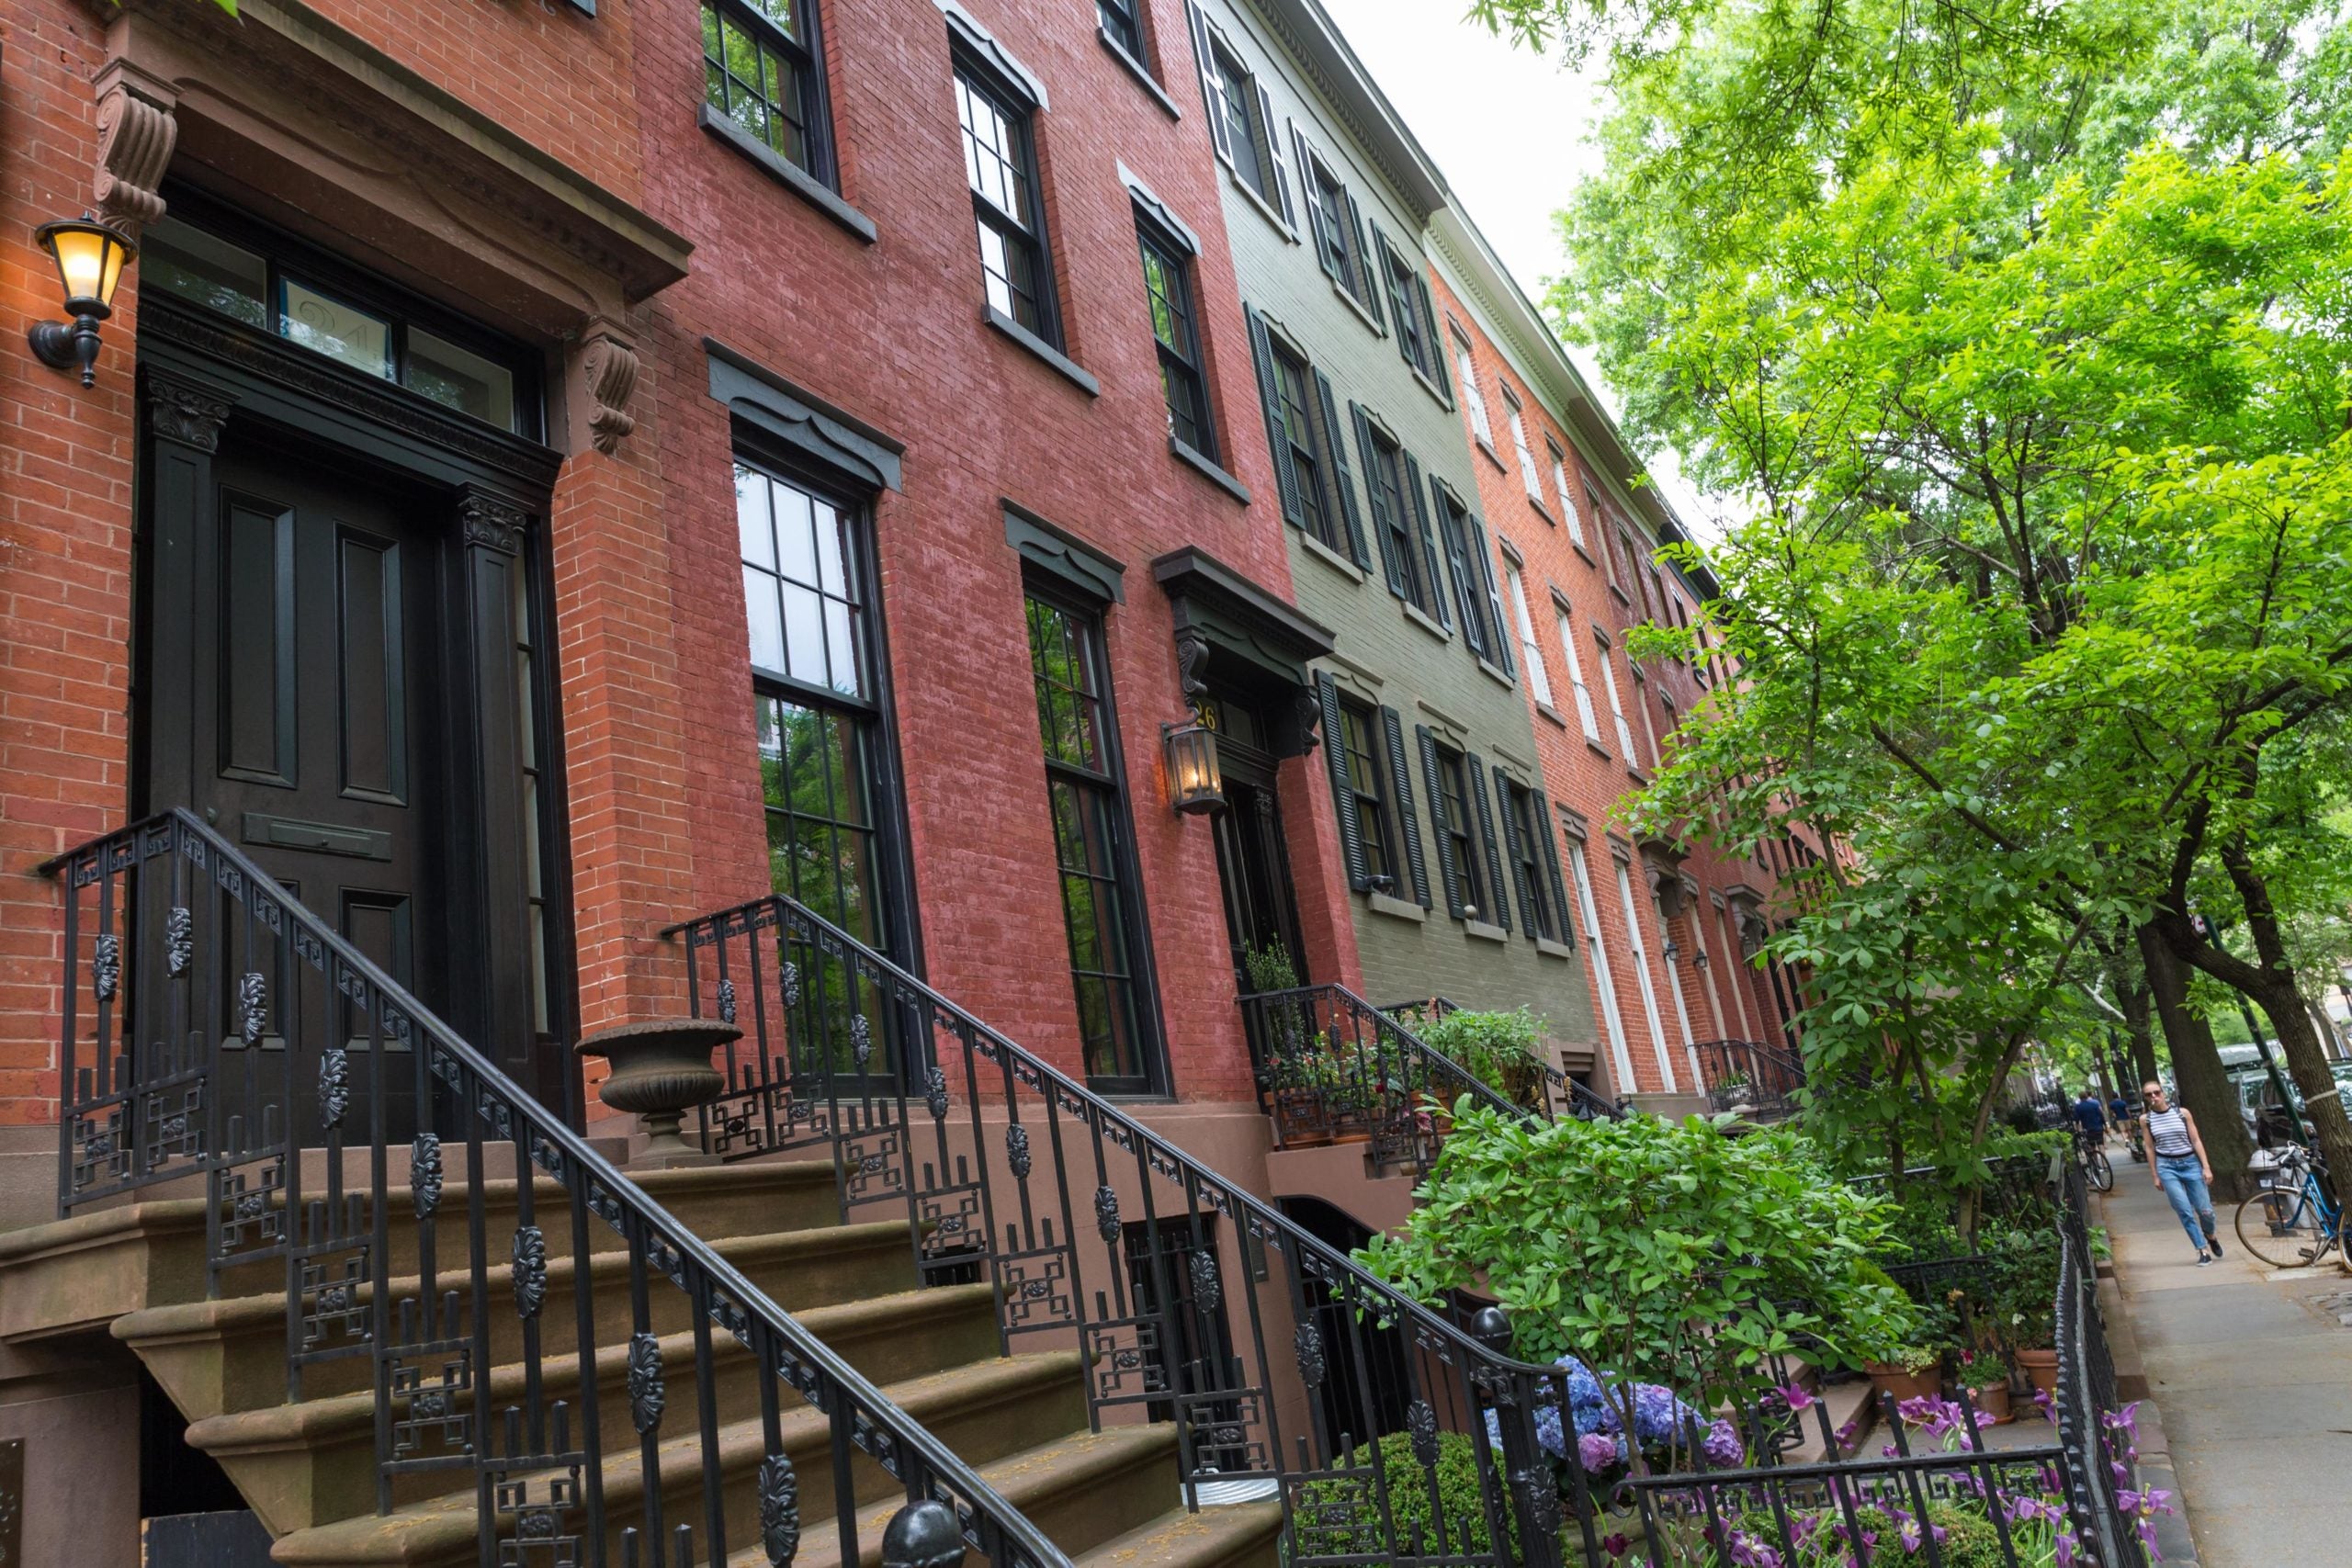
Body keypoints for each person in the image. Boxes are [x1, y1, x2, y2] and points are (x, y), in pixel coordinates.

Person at [2142, 1081, 2224, 1265]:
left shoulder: (2182, 1113)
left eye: (2156, 1092)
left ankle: (2210, 1235)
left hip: (2190, 1163)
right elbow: (2149, 1147)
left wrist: (2206, 1166)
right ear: (2146, 1098)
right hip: (2167, 1167)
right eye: (2149, 1094)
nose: (2154, 1096)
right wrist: (2155, 1174)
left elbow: (2195, 1140)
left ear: (2163, 1093)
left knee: (2206, 1211)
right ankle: (2202, 1250)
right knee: (2184, 1210)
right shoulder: (2146, 1119)